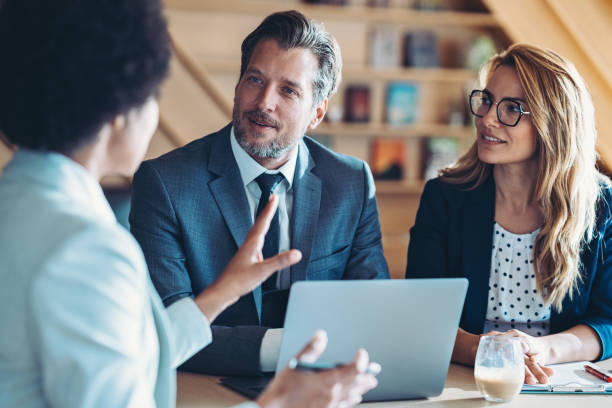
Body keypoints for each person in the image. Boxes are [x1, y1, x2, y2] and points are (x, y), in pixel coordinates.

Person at [0, 1, 380, 407]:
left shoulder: (17, 204)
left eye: (288, 90)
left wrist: (219, 295)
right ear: (115, 110)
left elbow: (138, 355)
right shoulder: (87, 251)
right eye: (150, 94)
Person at [129, 10, 390, 376]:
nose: (265, 102)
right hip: (208, 389)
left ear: (317, 112)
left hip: (324, 385)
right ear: (238, 86)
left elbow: (372, 312)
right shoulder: (165, 184)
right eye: (255, 79)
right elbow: (168, 329)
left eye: (288, 90)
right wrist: (288, 350)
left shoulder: (352, 183)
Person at [406, 44, 612, 385]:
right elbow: (420, 313)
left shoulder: (602, 206)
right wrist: (482, 350)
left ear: (554, 124)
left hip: (556, 380)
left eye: (512, 108)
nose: (487, 118)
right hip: (462, 379)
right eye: (486, 100)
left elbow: (608, 322)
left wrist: (540, 349)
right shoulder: (444, 197)